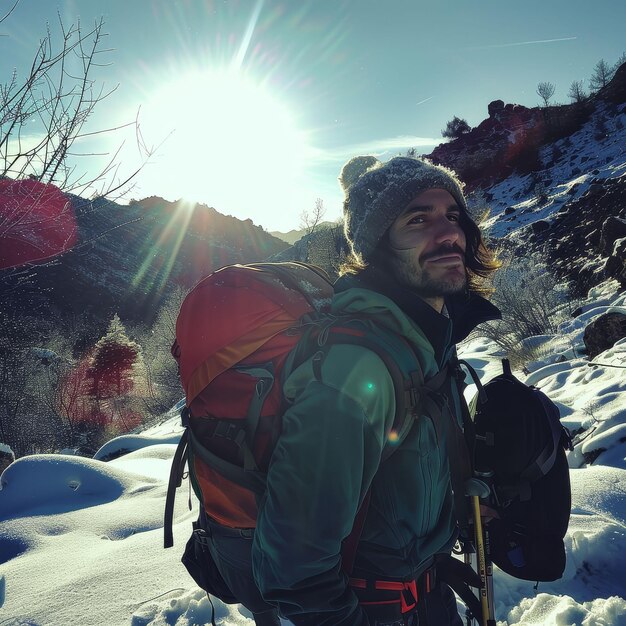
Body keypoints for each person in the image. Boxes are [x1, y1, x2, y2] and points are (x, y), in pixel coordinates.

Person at [251, 155, 501, 625]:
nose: (448, 232)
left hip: (429, 591)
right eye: (417, 219)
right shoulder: (356, 371)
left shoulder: (428, 341)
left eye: (452, 215)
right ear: (377, 246)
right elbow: (293, 567)